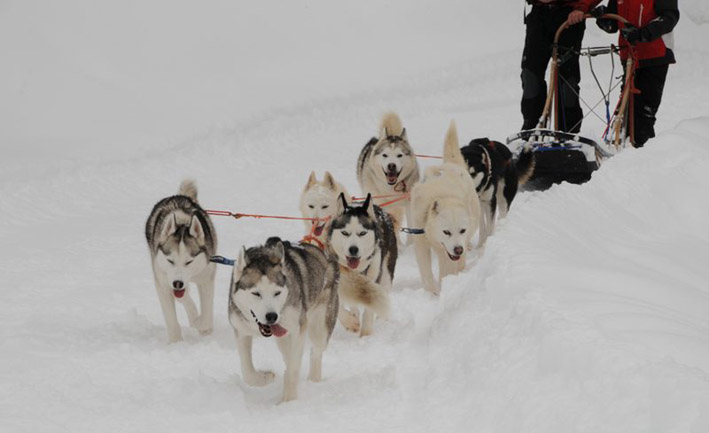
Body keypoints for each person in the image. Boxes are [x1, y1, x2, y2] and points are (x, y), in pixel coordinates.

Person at [584, 0, 679, 147]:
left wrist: (643, 33)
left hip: (655, 55)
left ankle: (640, 152)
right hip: (629, 55)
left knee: (643, 112)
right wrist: (602, 18)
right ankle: (625, 147)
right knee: (626, 109)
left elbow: (669, 17)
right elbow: (613, 25)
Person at [521, 0, 601, 133]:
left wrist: (582, 7)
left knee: (567, 81)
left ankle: (568, 131)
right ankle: (532, 129)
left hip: (569, 14)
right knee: (530, 76)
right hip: (538, 13)